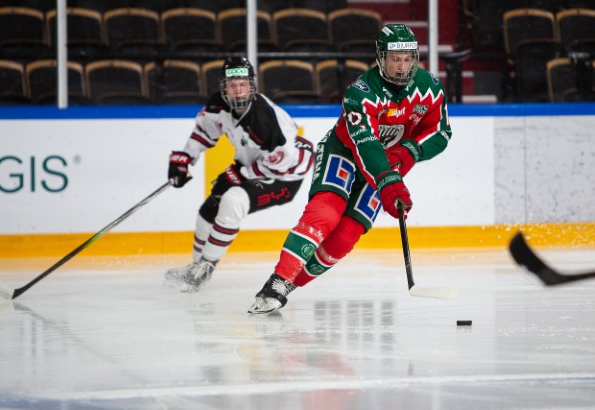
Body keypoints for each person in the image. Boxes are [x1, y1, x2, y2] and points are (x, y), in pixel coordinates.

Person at [248, 23, 452, 314]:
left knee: (345, 237)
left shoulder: (430, 88)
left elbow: (440, 132)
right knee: (325, 213)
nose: (401, 66)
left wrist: (408, 152)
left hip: (384, 165)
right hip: (343, 151)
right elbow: (365, 143)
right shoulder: (361, 92)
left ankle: (290, 285)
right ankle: (277, 281)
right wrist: (388, 180)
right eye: (395, 59)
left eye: (407, 59)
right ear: (381, 58)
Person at [165, 57, 314, 292]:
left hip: (285, 177)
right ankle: (195, 267)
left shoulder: (266, 120)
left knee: (233, 200)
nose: (238, 90)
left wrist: (241, 173)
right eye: (232, 85)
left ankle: (206, 267)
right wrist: (184, 158)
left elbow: (283, 164)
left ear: (251, 86)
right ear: (224, 87)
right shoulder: (219, 105)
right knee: (208, 210)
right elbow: (205, 131)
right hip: (255, 166)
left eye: (243, 84)